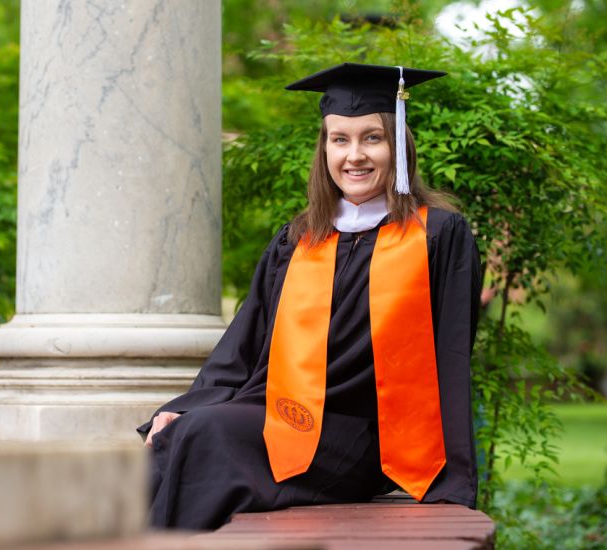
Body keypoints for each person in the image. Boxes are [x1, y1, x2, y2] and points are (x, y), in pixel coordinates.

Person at [137, 63, 482, 531]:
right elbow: (247, 337)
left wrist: (451, 479)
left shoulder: (437, 235)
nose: (354, 155)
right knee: (178, 435)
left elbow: (451, 353)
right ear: (324, 150)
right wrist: (185, 404)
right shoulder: (299, 239)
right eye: (339, 139)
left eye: (372, 138)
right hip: (283, 413)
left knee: (207, 435)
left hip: (362, 437)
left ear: (399, 146)